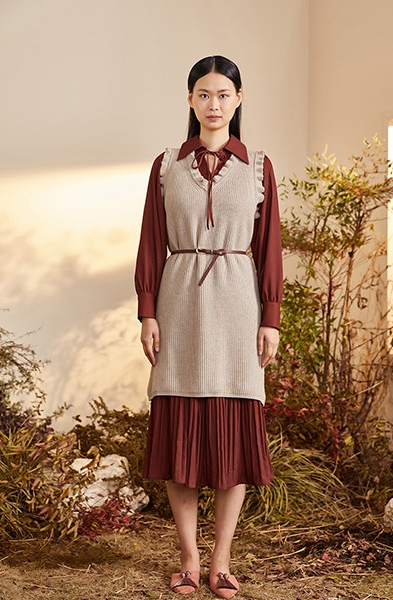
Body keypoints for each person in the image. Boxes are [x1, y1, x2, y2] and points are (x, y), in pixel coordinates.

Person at [134, 55, 283, 598]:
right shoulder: (166, 166)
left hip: (238, 304)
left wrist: (271, 318)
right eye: (203, 94)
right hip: (179, 303)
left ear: (238, 100)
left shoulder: (259, 165)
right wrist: (147, 311)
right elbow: (151, 240)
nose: (213, 104)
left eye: (223, 94)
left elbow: (269, 246)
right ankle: (190, 560)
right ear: (190, 100)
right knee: (180, 434)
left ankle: (221, 561)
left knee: (233, 435)